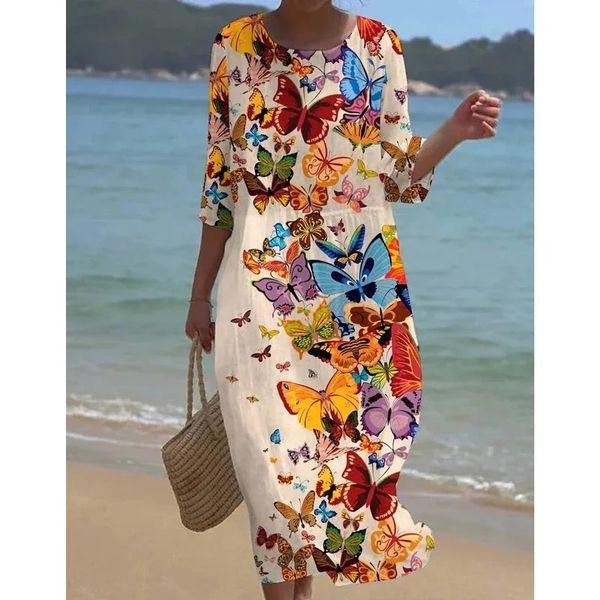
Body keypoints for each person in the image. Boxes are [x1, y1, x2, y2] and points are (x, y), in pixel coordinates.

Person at [185, 2, 501, 599]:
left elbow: (398, 176)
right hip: (262, 282)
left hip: (358, 284)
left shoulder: (380, 45)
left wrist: (453, 133)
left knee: (345, 456)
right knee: (269, 465)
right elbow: (220, 183)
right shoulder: (235, 43)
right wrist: (199, 295)